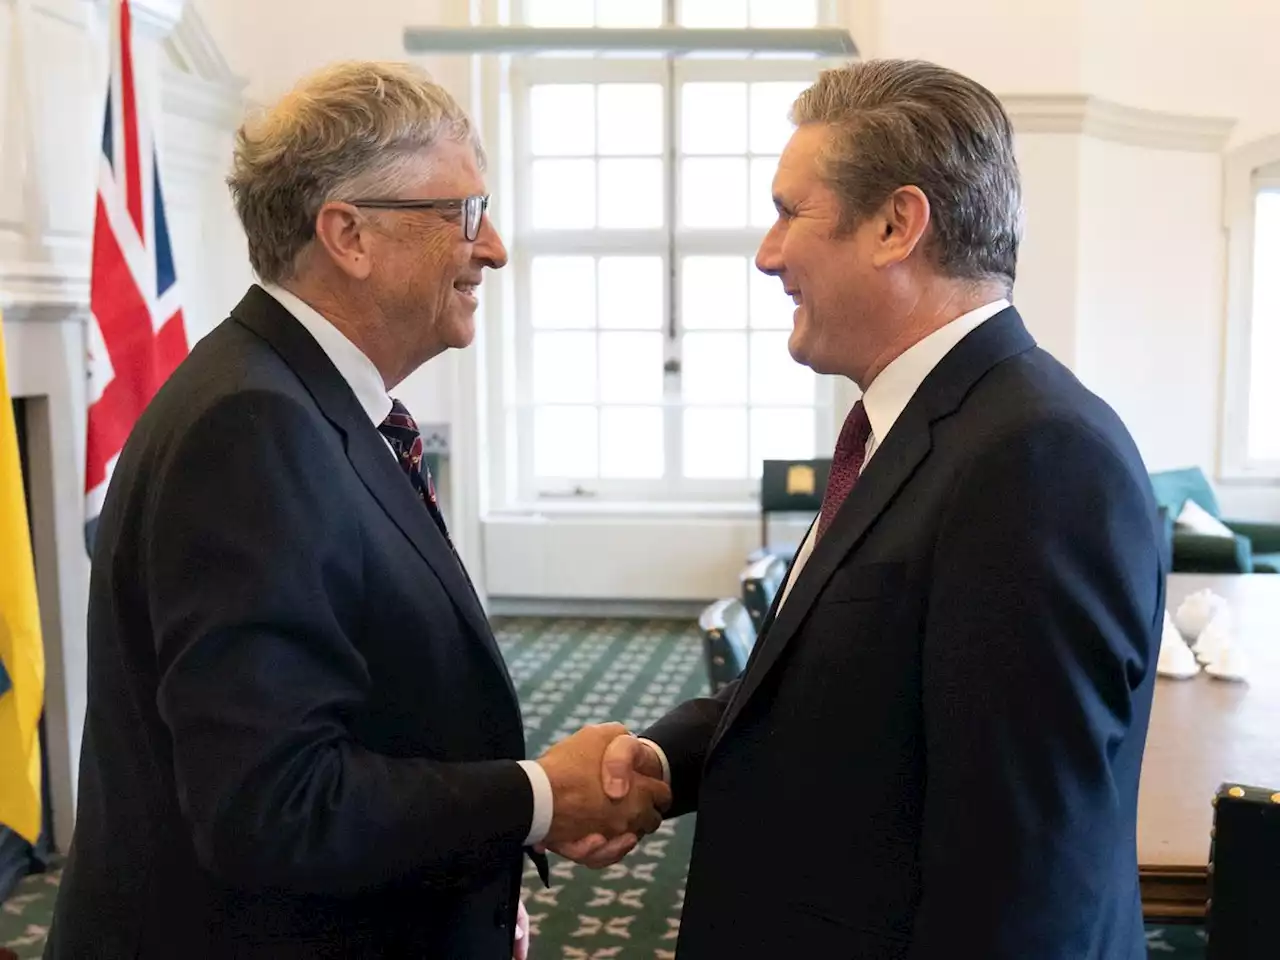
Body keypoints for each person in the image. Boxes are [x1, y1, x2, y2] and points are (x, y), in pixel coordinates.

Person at [45, 61, 668, 960]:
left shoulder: (303, 401)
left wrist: (482, 867)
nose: (493, 246)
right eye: (463, 212)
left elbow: (376, 712)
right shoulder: (252, 427)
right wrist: (537, 795)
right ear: (348, 234)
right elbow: (273, 804)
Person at [586, 59, 1165, 958]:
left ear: (896, 224)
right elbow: (844, 691)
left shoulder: (1035, 458)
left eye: (789, 211)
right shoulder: (915, 428)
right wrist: (666, 760)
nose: (766, 252)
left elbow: (1026, 875)